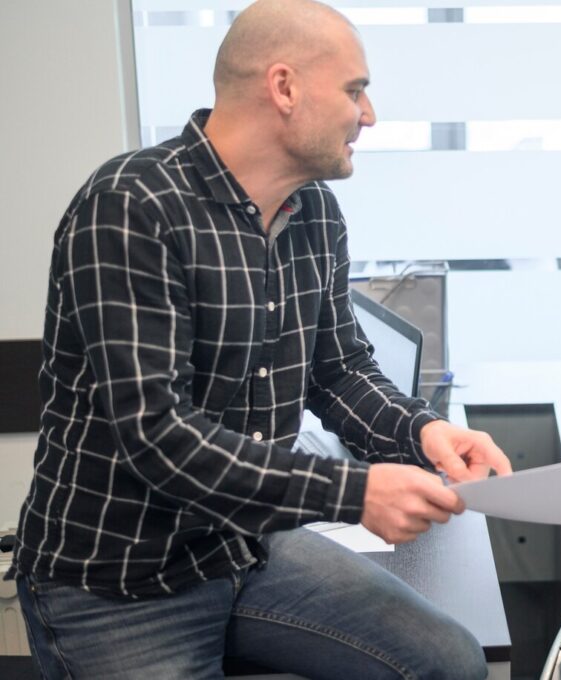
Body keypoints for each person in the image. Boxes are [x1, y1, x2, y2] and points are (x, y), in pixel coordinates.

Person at [5, 1, 511, 678]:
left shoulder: (315, 213)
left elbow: (338, 371)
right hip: (119, 583)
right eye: (355, 90)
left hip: (243, 546)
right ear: (284, 87)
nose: (369, 116)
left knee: (451, 662)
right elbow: (158, 435)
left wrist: (423, 434)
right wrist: (354, 492)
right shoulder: (131, 207)